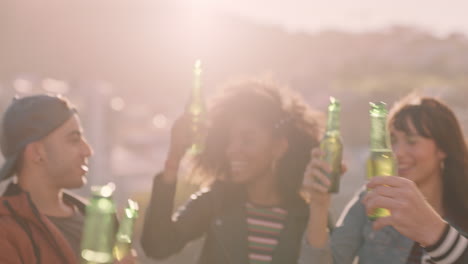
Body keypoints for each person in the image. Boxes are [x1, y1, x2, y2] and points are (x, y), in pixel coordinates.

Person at [141, 78, 322, 264]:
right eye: (230, 140)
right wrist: (174, 158)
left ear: (279, 147)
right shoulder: (217, 200)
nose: (232, 149)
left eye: (247, 139)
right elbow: (158, 246)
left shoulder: (306, 217)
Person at [301, 95, 468, 264]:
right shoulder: (374, 198)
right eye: (392, 141)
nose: (398, 153)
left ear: (443, 149)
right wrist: (319, 205)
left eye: (412, 141)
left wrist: (436, 233)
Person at [0, 94, 134, 263]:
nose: (87, 151)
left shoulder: (99, 219)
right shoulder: (6, 232)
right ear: (37, 152)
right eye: (74, 140)